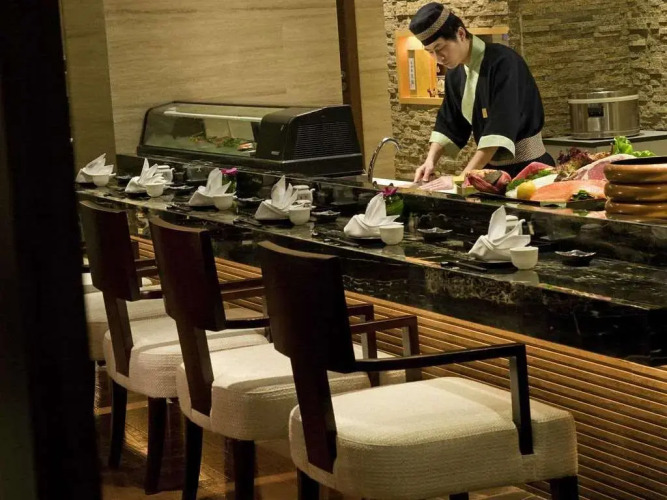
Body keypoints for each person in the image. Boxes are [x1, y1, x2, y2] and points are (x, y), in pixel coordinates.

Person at [410, 3, 554, 183]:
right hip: (491, 173)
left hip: (529, 168)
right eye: (430, 52)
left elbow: (500, 125)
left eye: (439, 48)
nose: (438, 58)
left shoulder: (504, 62)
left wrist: (462, 177)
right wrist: (430, 161)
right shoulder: (455, 73)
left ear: (461, 34)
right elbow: (449, 121)